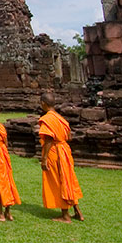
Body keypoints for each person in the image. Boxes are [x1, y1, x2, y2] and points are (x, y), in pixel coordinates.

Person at [39, 92, 84, 223]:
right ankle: (77, 211)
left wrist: (44, 158)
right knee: (68, 179)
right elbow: (69, 137)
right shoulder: (61, 119)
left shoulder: (47, 119)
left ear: (43, 103)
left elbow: (48, 140)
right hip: (65, 150)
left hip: (55, 152)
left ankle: (65, 215)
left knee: (59, 181)